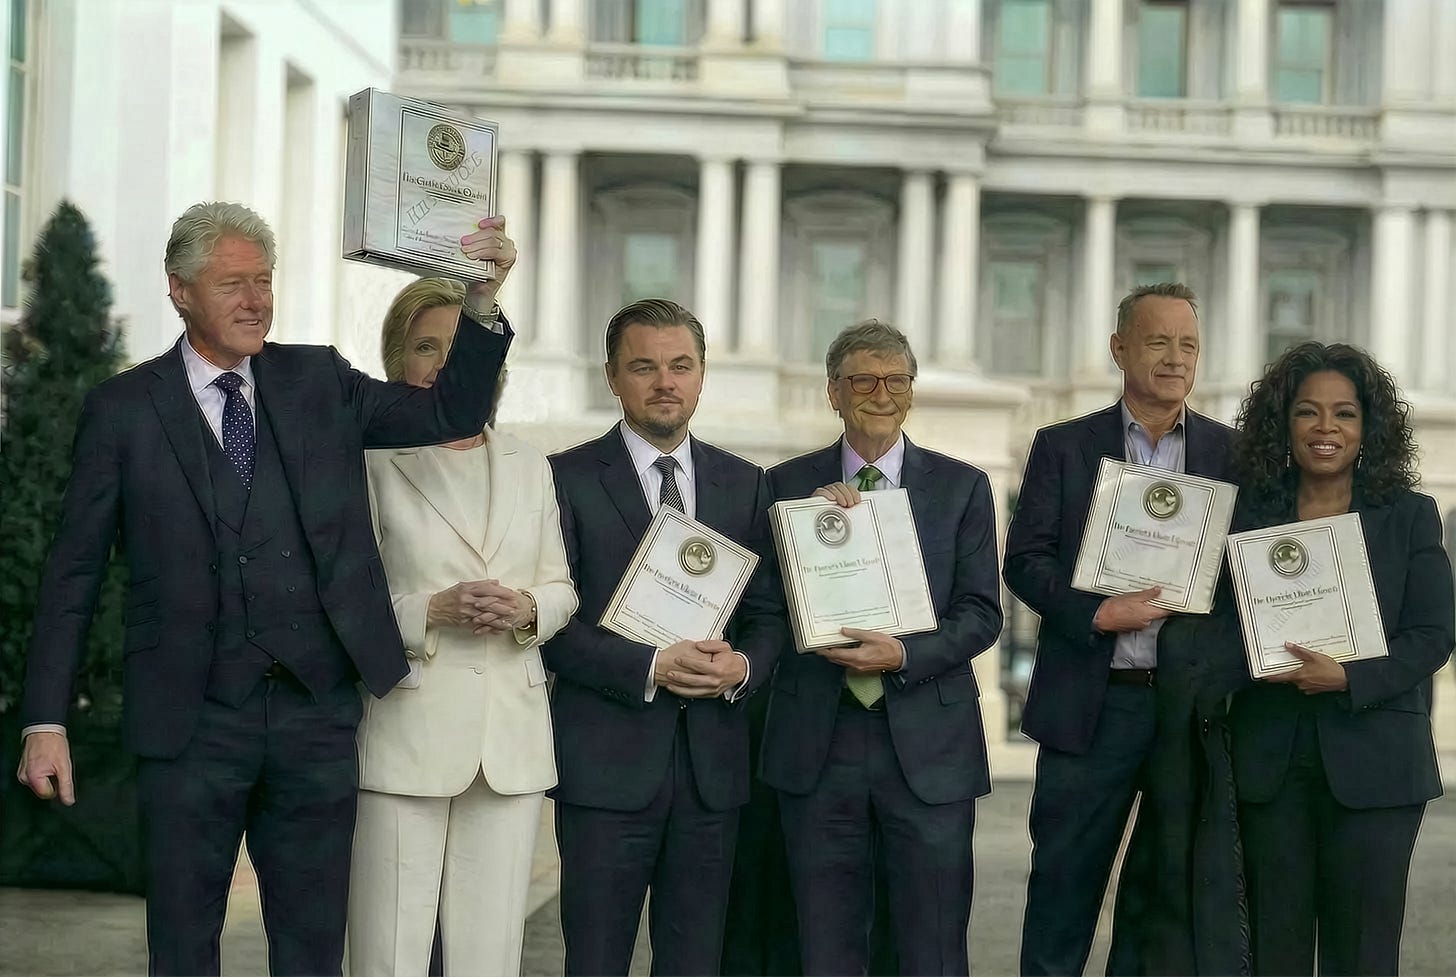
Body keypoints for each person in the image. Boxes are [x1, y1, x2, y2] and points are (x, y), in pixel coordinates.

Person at [14, 202, 515, 976]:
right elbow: (73, 571)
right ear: (179, 290)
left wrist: (480, 303)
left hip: (315, 718)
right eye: (232, 284)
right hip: (188, 723)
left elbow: (450, 407)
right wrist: (45, 719)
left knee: (313, 951)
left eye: (265, 282)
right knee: (182, 947)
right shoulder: (122, 411)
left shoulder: (319, 378)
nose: (256, 301)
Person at [543, 298, 786, 976]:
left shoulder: (745, 483)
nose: (664, 382)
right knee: (594, 959)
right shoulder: (563, 478)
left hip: (712, 774)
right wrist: (650, 665)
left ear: (702, 374)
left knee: (696, 962)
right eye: (643, 366)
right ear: (612, 377)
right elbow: (551, 626)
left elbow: (769, 616)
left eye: (680, 365)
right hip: (605, 770)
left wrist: (741, 664)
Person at [346, 277, 577, 977]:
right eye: (426, 346)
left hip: (508, 741)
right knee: (387, 954)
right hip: (403, 736)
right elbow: (339, 603)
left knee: (490, 957)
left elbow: (562, 584)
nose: (445, 363)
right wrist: (428, 611)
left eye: (459, 347)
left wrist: (531, 608)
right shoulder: (366, 463)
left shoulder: (528, 463)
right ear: (396, 363)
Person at [1003, 283, 1234, 975]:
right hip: (1090, 704)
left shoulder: (1233, 454)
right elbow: (1024, 560)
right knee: (1062, 892)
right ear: (1120, 348)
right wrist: (1095, 611)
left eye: (1188, 344)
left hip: (1185, 711)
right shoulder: (1064, 447)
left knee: (1161, 900)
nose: (1175, 358)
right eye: (1158, 341)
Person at [760, 319, 1003, 976]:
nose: (881, 391)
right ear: (833, 392)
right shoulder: (783, 487)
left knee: (931, 944)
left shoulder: (963, 487)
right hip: (819, 738)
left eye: (896, 379)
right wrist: (804, 535)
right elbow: (761, 613)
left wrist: (903, 655)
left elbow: (982, 614)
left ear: (912, 391)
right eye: (863, 378)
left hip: (929, 746)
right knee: (822, 940)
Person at [1220, 342, 1452, 975]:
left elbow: (1434, 632)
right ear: (1281, 422)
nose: (1326, 429)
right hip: (1270, 763)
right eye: (1307, 413)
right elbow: (1211, 632)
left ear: (1368, 427)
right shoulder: (1244, 517)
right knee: (1275, 952)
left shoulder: (1408, 516)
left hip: (1376, 768)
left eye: (1345, 414)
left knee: (1363, 956)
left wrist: (1350, 677)